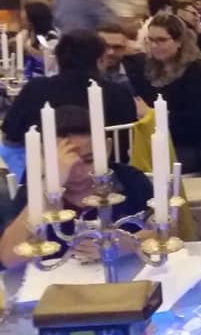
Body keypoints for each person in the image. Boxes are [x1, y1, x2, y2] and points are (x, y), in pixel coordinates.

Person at [0, 106, 156, 270]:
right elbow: (7, 258)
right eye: (63, 163)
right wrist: (49, 189)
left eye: (89, 160)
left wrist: (131, 243)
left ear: (107, 149)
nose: (78, 172)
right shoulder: (32, 194)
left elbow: (165, 231)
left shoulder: (129, 181)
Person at [1, 31, 136, 146]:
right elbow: (127, 140)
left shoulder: (35, 89)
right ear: (100, 60)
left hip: (40, 165)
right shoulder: (119, 93)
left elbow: (11, 134)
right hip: (109, 164)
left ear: (58, 59)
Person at [139, 14, 201, 175]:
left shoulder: (195, 73)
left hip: (190, 146)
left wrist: (152, 115)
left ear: (179, 41)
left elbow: (192, 124)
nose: (154, 45)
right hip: (160, 140)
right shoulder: (148, 70)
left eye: (161, 40)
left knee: (141, 165)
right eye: (150, 40)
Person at [98, 22, 147, 98]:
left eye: (117, 47)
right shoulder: (82, 72)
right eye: (104, 46)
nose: (110, 52)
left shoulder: (142, 66)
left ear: (126, 48)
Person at [17, 2, 59, 79]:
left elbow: (47, 61)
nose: (22, 22)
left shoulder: (51, 35)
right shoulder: (27, 33)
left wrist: (26, 47)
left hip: (45, 78)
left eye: (25, 19)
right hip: (27, 76)